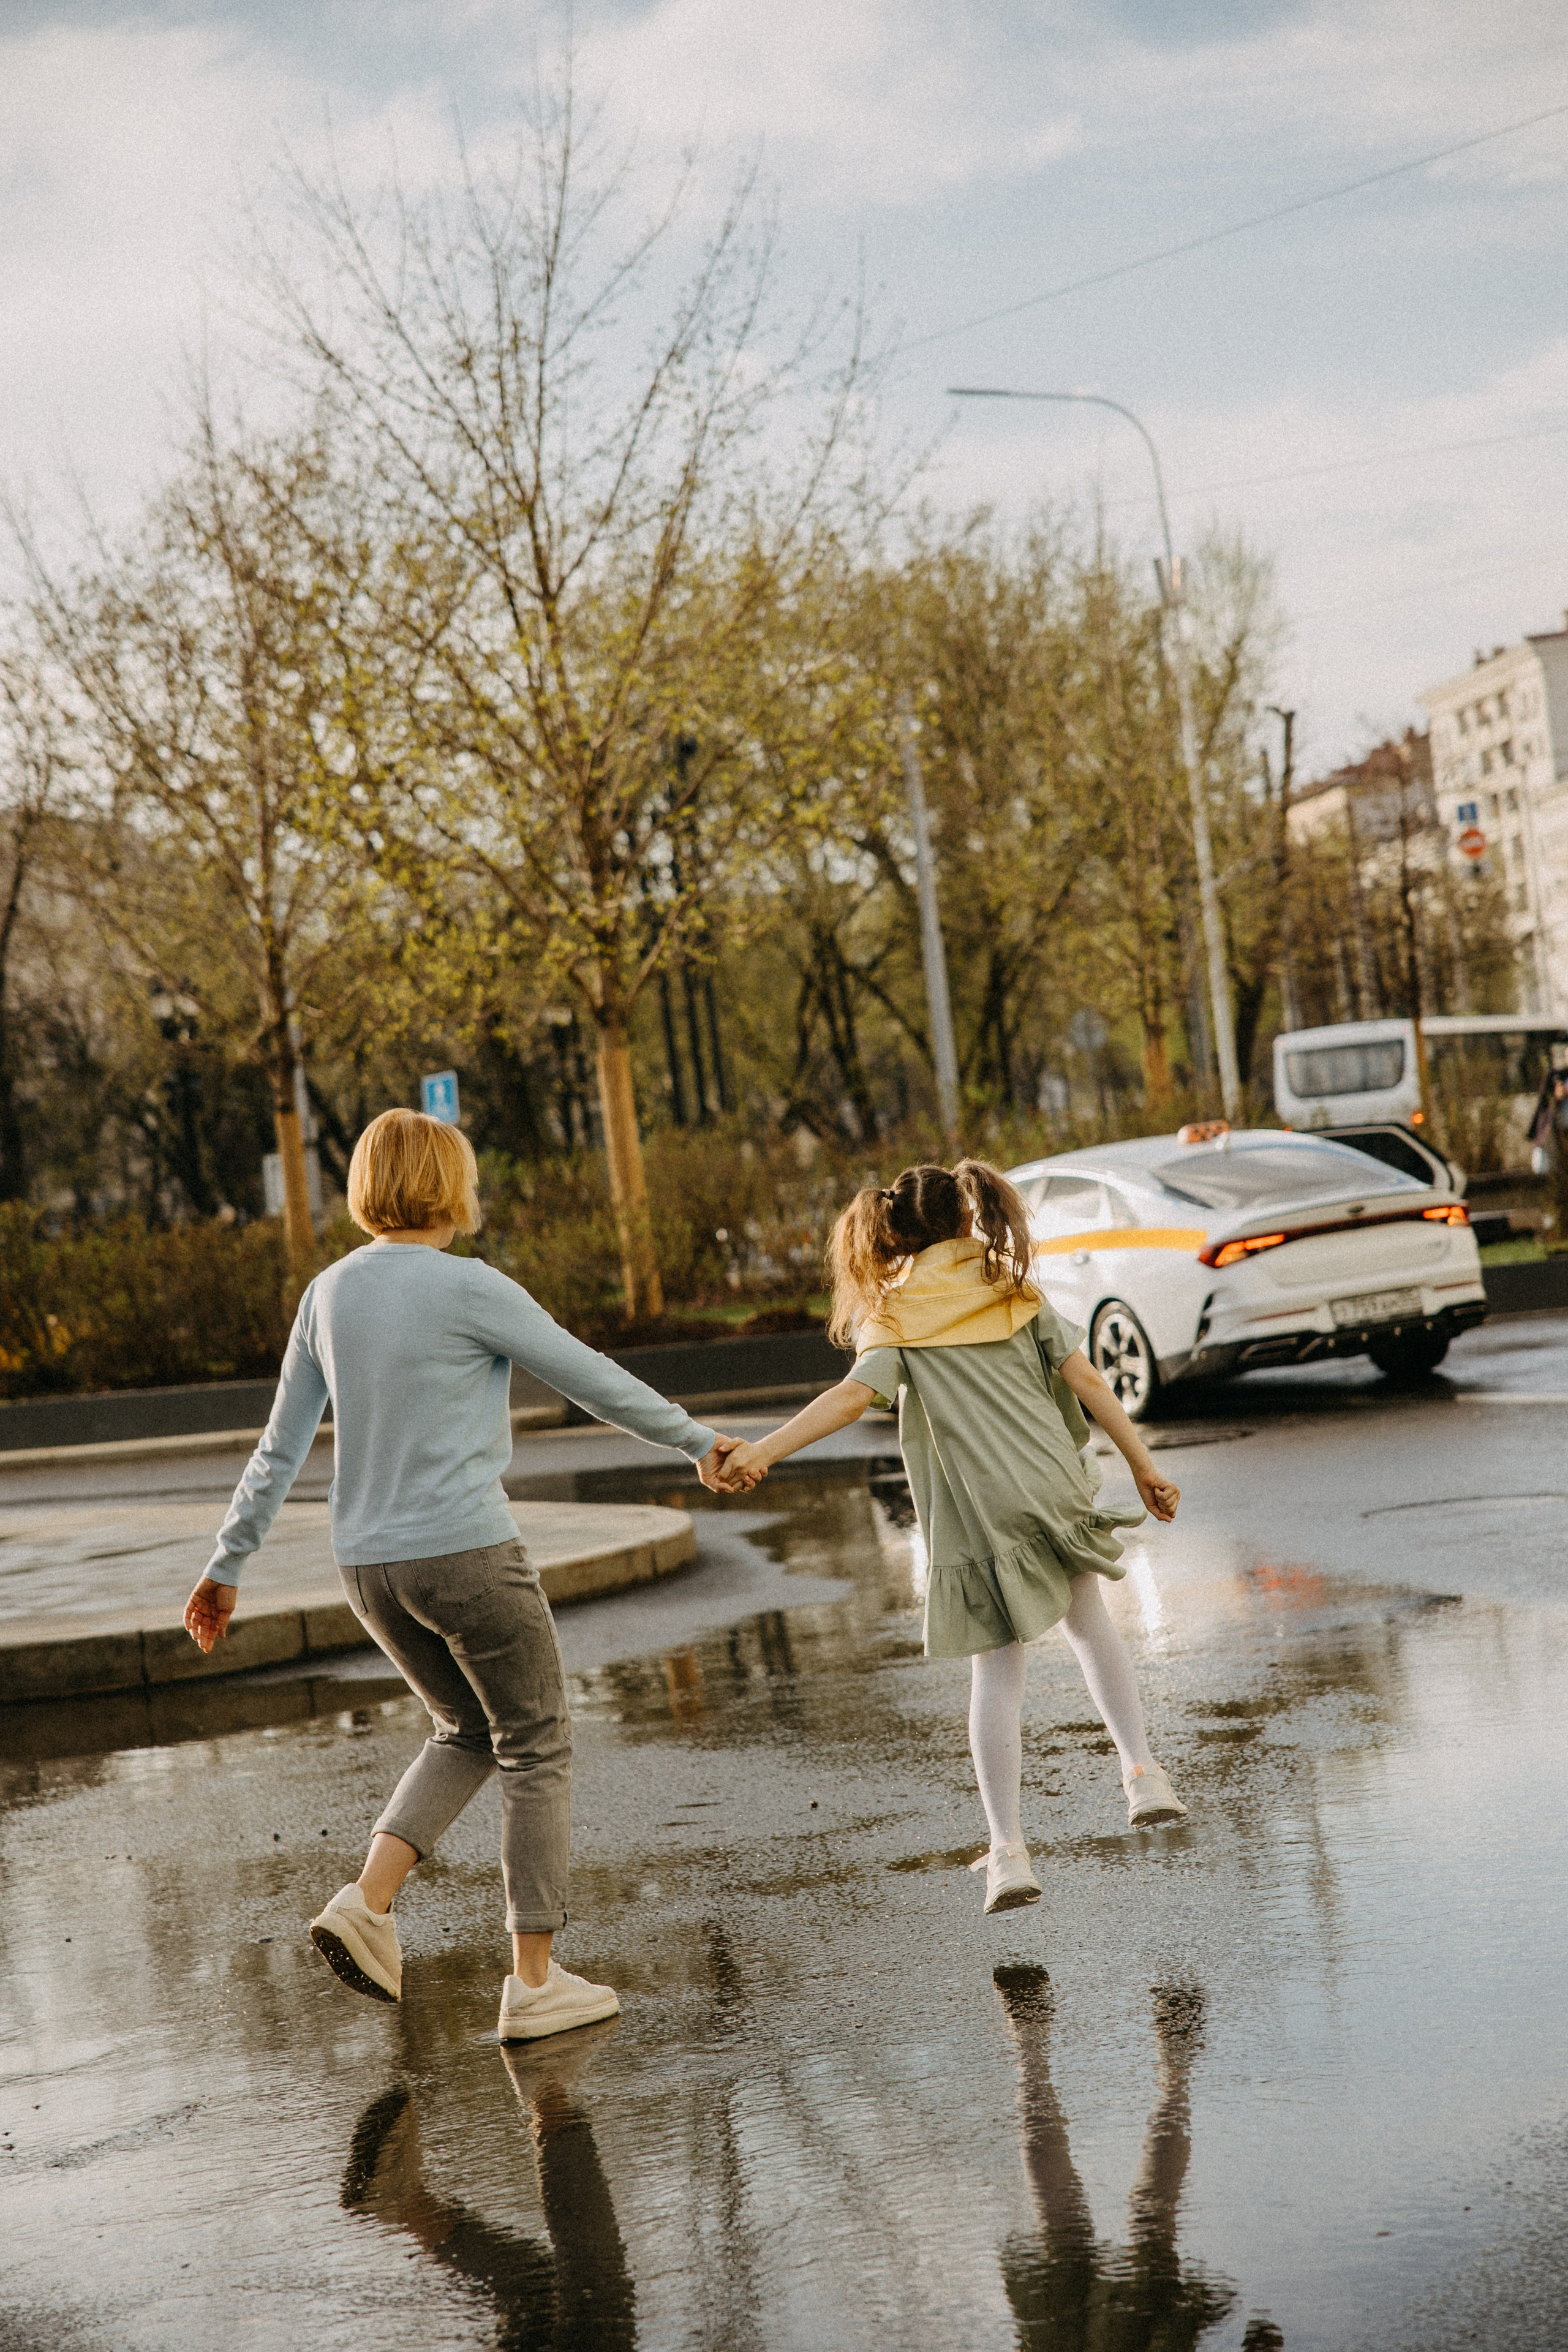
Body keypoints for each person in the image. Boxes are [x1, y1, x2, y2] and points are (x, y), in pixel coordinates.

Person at [183, 1107, 742, 2039]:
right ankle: (534, 1981)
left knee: (466, 1730)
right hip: (467, 1554)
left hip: (367, 1568)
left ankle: (367, 1904)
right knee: (536, 1743)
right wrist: (699, 1443)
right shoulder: (467, 1287)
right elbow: (589, 1375)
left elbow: (279, 1449)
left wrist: (225, 1564)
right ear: (449, 1186)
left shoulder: (327, 1294)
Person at [715, 1159, 1186, 1917]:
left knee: (997, 1674)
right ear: (971, 1218)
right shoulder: (1011, 1290)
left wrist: (763, 1451)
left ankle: (1007, 1853)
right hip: (1052, 1489)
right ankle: (1142, 1773)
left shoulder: (896, 1313)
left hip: (979, 1515)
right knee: (1091, 1627)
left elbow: (851, 1398)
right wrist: (1144, 1469)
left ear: (894, 1232)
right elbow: (1090, 1382)